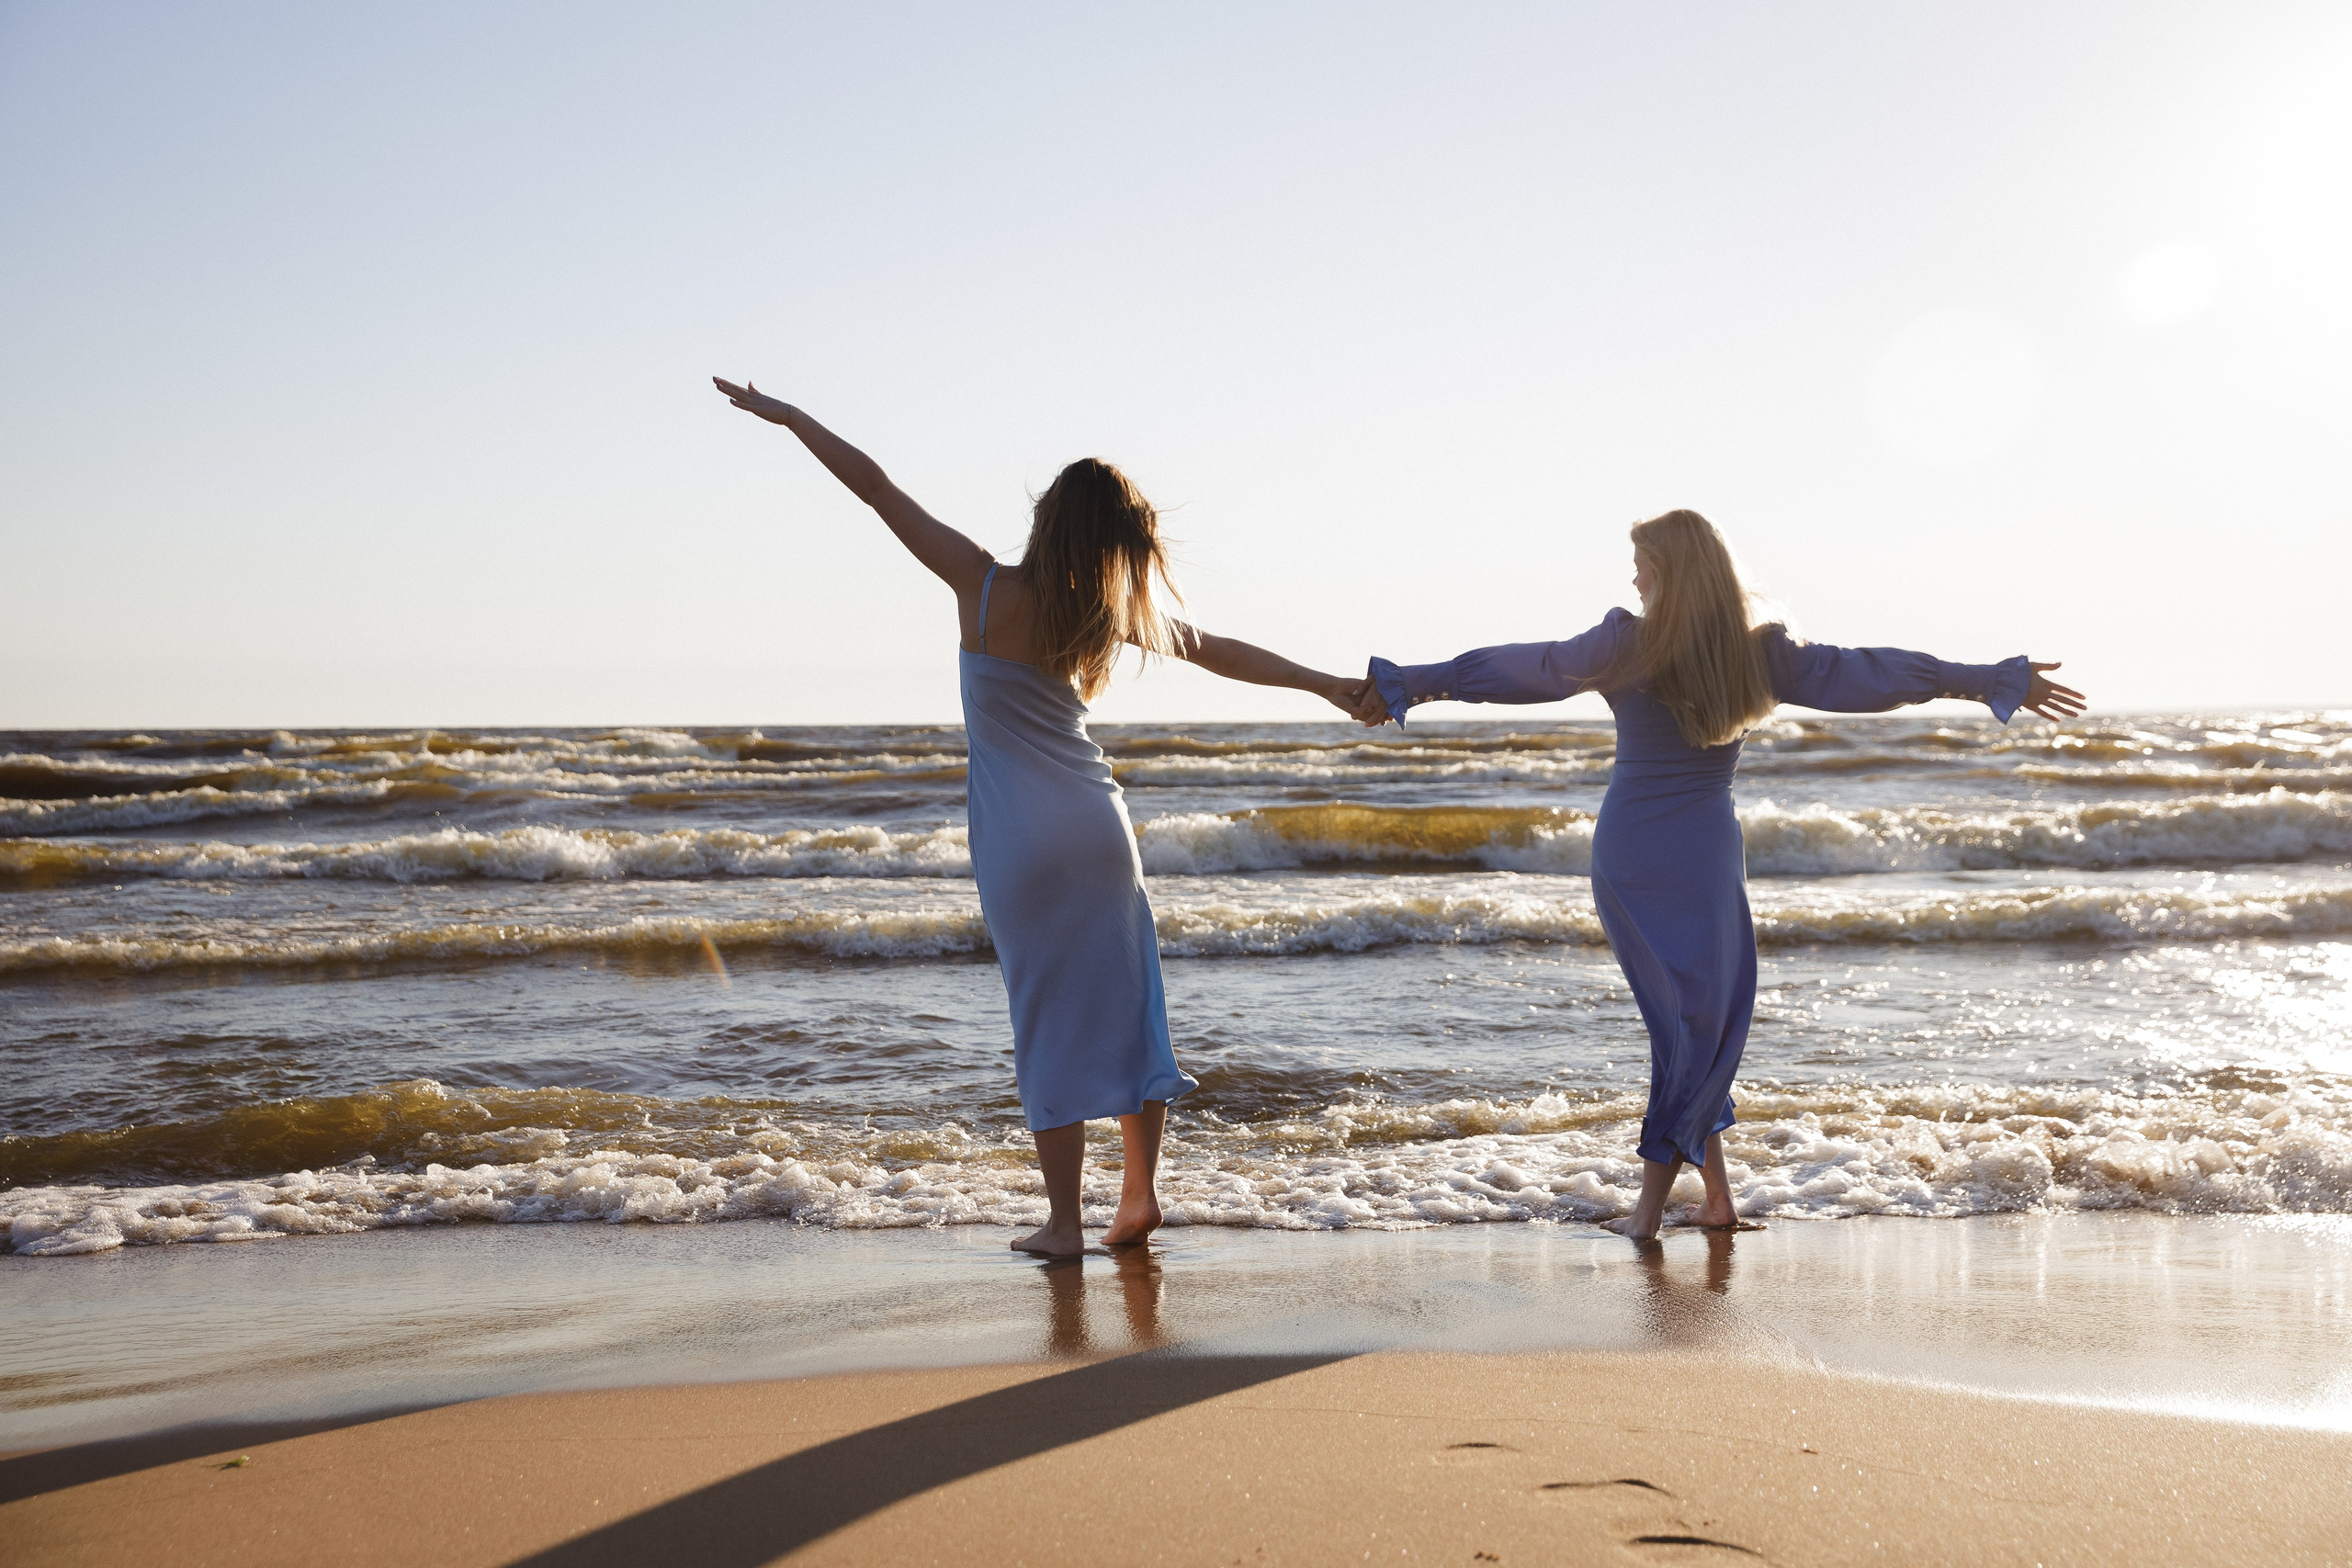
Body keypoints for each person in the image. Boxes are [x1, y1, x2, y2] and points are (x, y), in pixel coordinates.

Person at [714, 377, 1369, 1256]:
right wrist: (1325, 684)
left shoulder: (981, 586)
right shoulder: (1103, 613)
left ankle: (1064, 1221)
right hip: (1100, 831)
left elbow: (876, 490)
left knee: (1046, 1019)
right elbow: (1220, 652)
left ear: (1047, 519)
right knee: (1132, 1009)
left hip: (1022, 842)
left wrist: (791, 419)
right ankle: (1137, 1198)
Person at [1358, 509, 2085, 1240]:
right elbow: (1872, 673)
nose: (1632, 575)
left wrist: (1416, 684)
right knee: (1689, 1025)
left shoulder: (1643, 645)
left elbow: (1529, 668)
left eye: (1641, 561)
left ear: (1669, 570)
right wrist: (1983, 678)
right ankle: (1662, 1209)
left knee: (1692, 1025)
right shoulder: (1749, 654)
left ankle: (1699, 1204)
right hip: (1689, 853)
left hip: (1643, 849)